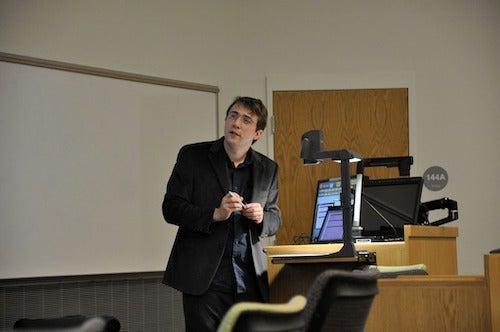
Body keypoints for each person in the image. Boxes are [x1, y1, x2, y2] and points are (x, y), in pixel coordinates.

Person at [162, 96, 282, 331]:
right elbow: (171, 208)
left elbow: (275, 218)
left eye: (246, 119)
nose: (236, 123)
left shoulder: (269, 168)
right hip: (205, 281)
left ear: (257, 133)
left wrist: (260, 217)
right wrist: (215, 214)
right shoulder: (192, 156)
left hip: (249, 281)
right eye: (233, 115)